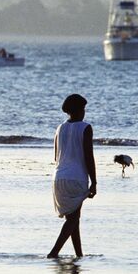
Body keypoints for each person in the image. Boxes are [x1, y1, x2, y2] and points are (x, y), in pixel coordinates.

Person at [47, 94, 97, 259]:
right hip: (76, 178)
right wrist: (94, 181)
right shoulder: (85, 128)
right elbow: (88, 157)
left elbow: (56, 156)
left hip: (58, 177)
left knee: (74, 219)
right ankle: (53, 253)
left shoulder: (60, 128)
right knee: (73, 219)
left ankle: (79, 254)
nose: (84, 112)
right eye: (83, 109)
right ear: (79, 110)